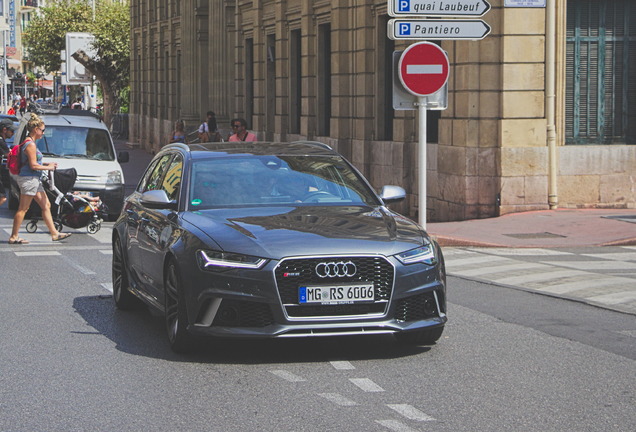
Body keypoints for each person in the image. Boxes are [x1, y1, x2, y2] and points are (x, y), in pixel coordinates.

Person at [8, 114, 72, 244]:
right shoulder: (30, 144)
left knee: (46, 205)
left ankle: (54, 234)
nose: (43, 133)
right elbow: (33, 165)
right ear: (35, 129)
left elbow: (33, 163)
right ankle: (14, 236)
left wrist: (46, 165)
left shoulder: (29, 142)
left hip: (33, 179)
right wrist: (49, 168)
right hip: (29, 179)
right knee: (23, 209)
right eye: (42, 130)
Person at [0, 119, 16, 206]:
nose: (13, 133)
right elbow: (9, 155)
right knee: (2, 198)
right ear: (4, 130)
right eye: (12, 131)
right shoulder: (1, 141)